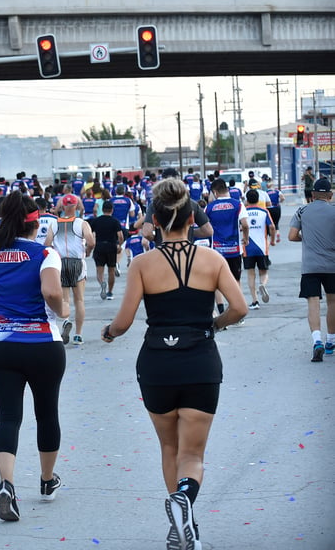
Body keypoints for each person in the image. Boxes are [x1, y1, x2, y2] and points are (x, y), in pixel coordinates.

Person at [101, 178, 247, 550]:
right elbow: (239, 308)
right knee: (193, 454)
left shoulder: (142, 263)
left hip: (156, 365)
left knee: (169, 449)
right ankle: (186, 504)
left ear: (156, 220)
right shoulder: (212, 259)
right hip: (200, 361)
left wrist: (108, 334)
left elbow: (124, 322)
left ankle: (185, 529)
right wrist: (214, 324)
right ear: (191, 219)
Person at [0, 191, 67, 521]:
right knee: (47, 413)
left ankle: (6, 484)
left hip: (1, 344)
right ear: (36, 224)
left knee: (8, 417)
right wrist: (64, 309)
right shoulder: (45, 253)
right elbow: (52, 291)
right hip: (43, 342)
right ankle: (46, 481)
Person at [289, 177, 335, 362]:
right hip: (332, 265)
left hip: (310, 266)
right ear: (330, 195)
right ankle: (330, 341)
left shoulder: (302, 211)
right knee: (332, 303)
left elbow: (292, 236)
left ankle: (317, 341)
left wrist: (306, 239)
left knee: (313, 303)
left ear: (313, 195)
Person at [50, 194, 94, 344]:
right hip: (77, 262)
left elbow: (46, 243)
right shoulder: (82, 223)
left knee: (65, 299)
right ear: (76, 206)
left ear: (62, 207)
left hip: (61, 262)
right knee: (79, 299)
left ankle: (65, 320)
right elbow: (91, 241)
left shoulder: (54, 224)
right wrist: (87, 252)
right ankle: (78, 335)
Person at [205, 178, 249, 319]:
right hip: (234, 249)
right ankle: (237, 313)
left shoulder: (210, 207)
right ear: (227, 190)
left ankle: (221, 310)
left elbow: (205, 227)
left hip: (216, 250)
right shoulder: (237, 204)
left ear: (215, 192)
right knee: (236, 280)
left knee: (216, 282)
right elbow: (245, 224)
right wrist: (246, 238)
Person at [243, 189, 276, 310]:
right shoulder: (264, 211)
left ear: (247, 200)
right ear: (258, 199)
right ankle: (262, 284)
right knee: (264, 271)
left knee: (251, 274)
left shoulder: (243, 212)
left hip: (247, 247)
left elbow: (241, 227)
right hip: (262, 247)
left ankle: (254, 300)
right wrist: (272, 240)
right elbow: (272, 226)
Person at [91, 200, 125, 301]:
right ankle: (110, 292)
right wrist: (119, 245)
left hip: (99, 246)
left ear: (102, 209)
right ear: (112, 210)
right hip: (111, 246)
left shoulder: (96, 221)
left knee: (99, 271)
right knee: (111, 270)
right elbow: (120, 236)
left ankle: (102, 283)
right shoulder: (115, 221)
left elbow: (91, 234)